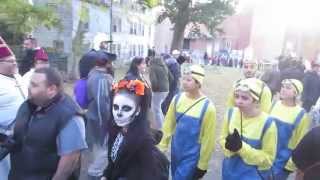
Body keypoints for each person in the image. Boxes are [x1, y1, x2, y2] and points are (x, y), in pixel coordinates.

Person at [7, 67, 87, 180]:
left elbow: (69, 161)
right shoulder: (27, 106)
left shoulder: (70, 117)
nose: (28, 88)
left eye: (34, 85)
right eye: (30, 84)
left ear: (51, 90)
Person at [101, 79, 169, 180]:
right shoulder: (116, 131)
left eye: (126, 108)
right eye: (115, 107)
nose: (118, 113)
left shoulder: (144, 142)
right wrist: (106, 175)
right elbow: (113, 162)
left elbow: (149, 175)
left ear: (138, 110)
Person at [159, 65, 217, 180]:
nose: (184, 82)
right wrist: (161, 147)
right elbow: (168, 125)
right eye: (183, 79)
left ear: (198, 83)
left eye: (189, 80)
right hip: (176, 151)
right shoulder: (177, 99)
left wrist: (202, 165)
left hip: (192, 155)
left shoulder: (208, 107)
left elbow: (208, 139)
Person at [220, 78, 278, 180]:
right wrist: (228, 146)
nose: (238, 101)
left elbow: (268, 159)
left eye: (245, 98)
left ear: (256, 101)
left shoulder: (268, 123)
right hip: (228, 172)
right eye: (236, 96)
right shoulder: (230, 113)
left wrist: (241, 148)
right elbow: (221, 138)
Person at [269, 79, 310, 179]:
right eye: (282, 86)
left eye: (288, 88)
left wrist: (289, 165)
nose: (283, 89)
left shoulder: (301, 114)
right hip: (266, 153)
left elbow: (300, 142)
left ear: (296, 93)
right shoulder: (274, 104)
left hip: (282, 160)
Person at [85, 50, 116, 179]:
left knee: (97, 149)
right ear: (107, 63)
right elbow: (101, 102)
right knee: (103, 148)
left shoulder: (93, 75)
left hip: (94, 117)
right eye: (111, 62)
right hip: (100, 119)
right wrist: (106, 122)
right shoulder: (102, 79)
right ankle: (95, 173)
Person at [0, 36, 27, 180]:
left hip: (24, 137)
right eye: (11, 61)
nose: (15, 63)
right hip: (4, 140)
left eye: (15, 60)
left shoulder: (18, 77)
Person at [149, 57, 170, 129]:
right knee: (158, 107)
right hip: (166, 90)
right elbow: (170, 77)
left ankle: (160, 128)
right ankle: (163, 123)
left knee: (155, 109)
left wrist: (154, 90)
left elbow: (153, 80)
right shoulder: (164, 67)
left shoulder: (152, 68)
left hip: (158, 90)